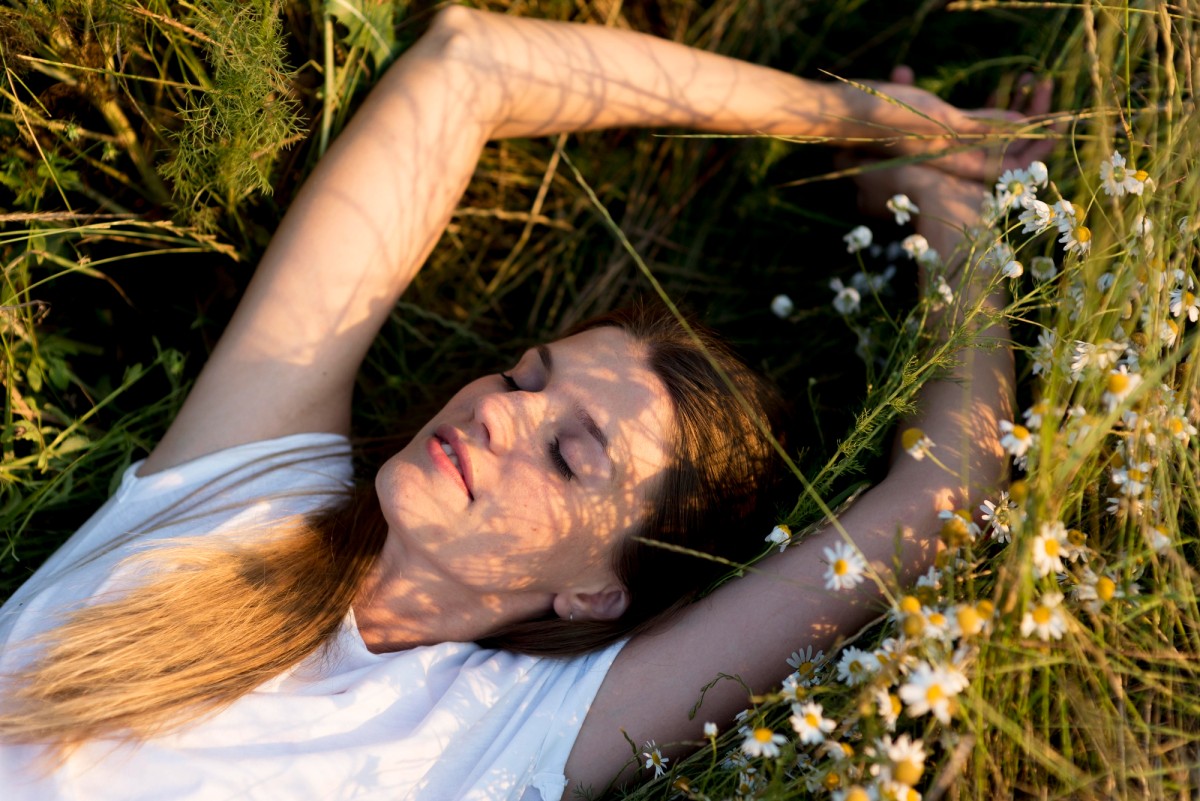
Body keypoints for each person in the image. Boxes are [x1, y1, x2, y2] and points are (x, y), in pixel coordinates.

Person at [0, 6, 1050, 799]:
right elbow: (467, 59)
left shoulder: (519, 729)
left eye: (570, 455)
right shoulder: (252, 488)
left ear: (595, 591)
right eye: (523, 375)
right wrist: (852, 118)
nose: (500, 413)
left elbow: (943, 495)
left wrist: (953, 225)